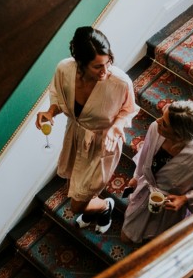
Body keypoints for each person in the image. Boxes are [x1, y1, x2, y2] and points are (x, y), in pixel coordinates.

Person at [36, 26, 139, 233]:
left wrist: (115, 128)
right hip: (76, 135)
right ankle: (95, 208)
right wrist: (50, 111)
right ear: (80, 63)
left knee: (76, 205)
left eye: (108, 62)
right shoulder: (64, 70)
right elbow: (58, 97)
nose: (105, 71)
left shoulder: (119, 82)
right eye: (97, 66)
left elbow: (129, 110)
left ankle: (104, 206)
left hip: (103, 142)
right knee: (77, 185)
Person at [121, 100, 193, 244]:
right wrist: (137, 176)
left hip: (169, 206)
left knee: (157, 240)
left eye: (165, 123)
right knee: (127, 237)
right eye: (162, 117)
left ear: (179, 135)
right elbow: (145, 152)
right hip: (145, 190)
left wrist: (184, 199)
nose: (157, 121)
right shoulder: (155, 128)